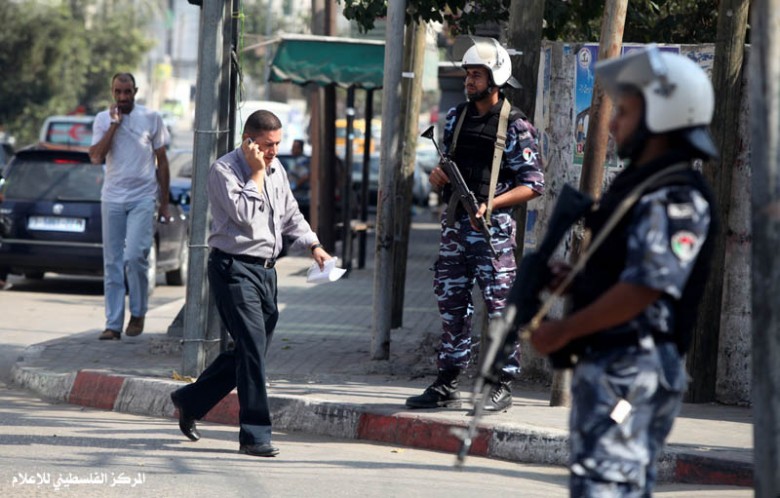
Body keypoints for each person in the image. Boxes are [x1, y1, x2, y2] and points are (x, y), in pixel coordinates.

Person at [530, 47, 718, 496]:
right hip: (616, 364)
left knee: (606, 488)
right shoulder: (644, 187)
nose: (613, 124)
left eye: (626, 112)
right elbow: (629, 277)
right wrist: (578, 285)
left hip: (634, 367)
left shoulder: (675, 196)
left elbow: (645, 289)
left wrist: (564, 330)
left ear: (662, 116)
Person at [169, 110, 332, 458]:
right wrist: (256, 173)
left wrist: (314, 245)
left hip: (266, 272)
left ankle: (190, 400)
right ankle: (255, 434)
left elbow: (290, 214)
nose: (274, 151)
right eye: (267, 145)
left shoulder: (277, 170)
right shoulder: (224, 171)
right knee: (254, 351)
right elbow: (243, 215)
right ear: (249, 141)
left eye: (277, 144)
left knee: (249, 350)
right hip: (233, 269)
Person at [405, 37, 544, 412]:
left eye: (476, 75)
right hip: (455, 231)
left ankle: (501, 383)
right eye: (467, 74)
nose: (469, 81)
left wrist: (491, 204)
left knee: (500, 308)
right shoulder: (455, 119)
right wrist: (438, 177)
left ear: (495, 78)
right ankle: (447, 381)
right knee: (452, 306)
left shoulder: (516, 127)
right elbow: (449, 166)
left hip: (493, 234)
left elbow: (533, 185)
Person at [89, 73, 171, 341]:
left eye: (127, 92)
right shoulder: (103, 119)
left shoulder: (151, 118)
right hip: (112, 198)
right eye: (118, 92)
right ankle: (113, 324)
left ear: (135, 91)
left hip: (143, 198)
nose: (123, 97)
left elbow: (163, 161)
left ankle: (138, 312)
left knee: (135, 256)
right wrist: (114, 125)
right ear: (112, 92)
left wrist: (165, 203)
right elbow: (96, 157)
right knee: (112, 262)